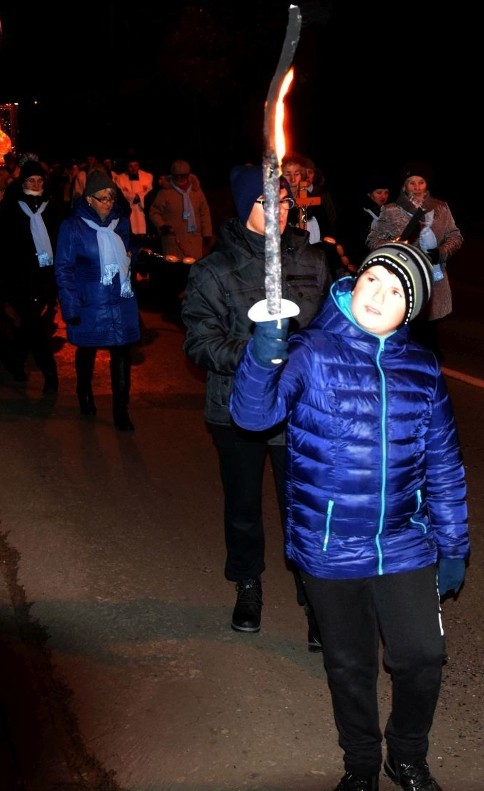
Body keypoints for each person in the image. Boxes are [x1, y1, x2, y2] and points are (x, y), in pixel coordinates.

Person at [229, 242, 468, 791]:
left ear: (410, 311)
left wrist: (454, 545)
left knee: (422, 658)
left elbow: (445, 466)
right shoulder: (311, 352)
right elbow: (253, 413)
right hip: (330, 545)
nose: (377, 297)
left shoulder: (424, 370)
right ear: (353, 283)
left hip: (405, 542)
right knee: (350, 667)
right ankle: (361, 765)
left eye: (394, 293)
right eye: (371, 281)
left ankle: (405, 755)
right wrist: (265, 354)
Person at [181, 164, 331, 648]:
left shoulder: (312, 259)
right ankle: (248, 585)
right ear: (246, 205)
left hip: (299, 408)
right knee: (243, 505)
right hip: (235, 409)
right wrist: (253, 354)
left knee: (303, 507)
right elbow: (200, 342)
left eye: (287, 201)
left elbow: (332, 327)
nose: (282, 210)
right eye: (270, 202)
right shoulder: (213, 269)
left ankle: (315, 599)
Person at [54, 170, 141, 432]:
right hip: (89, 301)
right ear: (88, 199)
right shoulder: (72, 226)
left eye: (111, 198)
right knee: (87, 351)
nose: (107, 203)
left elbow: (128, 252)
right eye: (101, 198)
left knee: (122, 355)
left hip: (121, 300)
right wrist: (69, 307)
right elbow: (63, 268)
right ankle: (85, 394)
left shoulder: (121, 222)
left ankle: (120, 411)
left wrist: (133, 254)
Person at [366, 162, 463, 361]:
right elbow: (373, 239)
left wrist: (441, 252)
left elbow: (455, 236)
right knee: (410, 332)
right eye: (412, 183)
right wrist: (397, 248)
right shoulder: (391, 210)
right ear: (404, 186)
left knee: (430, 331)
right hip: (405, 281)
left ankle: (429, 369)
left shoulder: (440, 207)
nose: (417, 187)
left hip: (435, 280)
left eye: (421, 182)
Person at [0, 158, 64, 391]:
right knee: (34, 325)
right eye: (31, 180)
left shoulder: (51, 207)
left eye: (40, 180)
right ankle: (50, 374)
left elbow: (60, 238)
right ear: (23, 182)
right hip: (18, 277)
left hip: (44, 275)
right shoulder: (10, 207)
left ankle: (16, 362)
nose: (36, 184)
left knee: (29, 324)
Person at [148, 159, 214, 310]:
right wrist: (162, 226)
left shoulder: (197, 191)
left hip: (194, 240)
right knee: (175, 274)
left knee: (194, 273)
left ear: (188, 175)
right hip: (173, 241)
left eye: (184, 176)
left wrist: (207, 233)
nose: (181, 180)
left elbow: (204, 213)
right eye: (177, 177)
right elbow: (154, 211)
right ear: (173, 176)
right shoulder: (165, 192)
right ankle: (174, 307)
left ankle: (194, 306)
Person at [337, 172, 391, 269]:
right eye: (379, 192)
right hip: (360, 263)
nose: (383, 197)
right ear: (369, 194)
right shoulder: (356, 212)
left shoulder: (387, 211)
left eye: (386, 192)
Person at [112, 153, 155, 240]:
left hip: (143, 208)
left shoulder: (148, 176)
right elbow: (122, 192)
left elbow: (149, 190)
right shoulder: (119, 178)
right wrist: (133, 197)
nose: (133, 168)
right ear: (127, 167)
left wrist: (139, 196)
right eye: (130, 166)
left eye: (135, 165)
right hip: (128, 209)